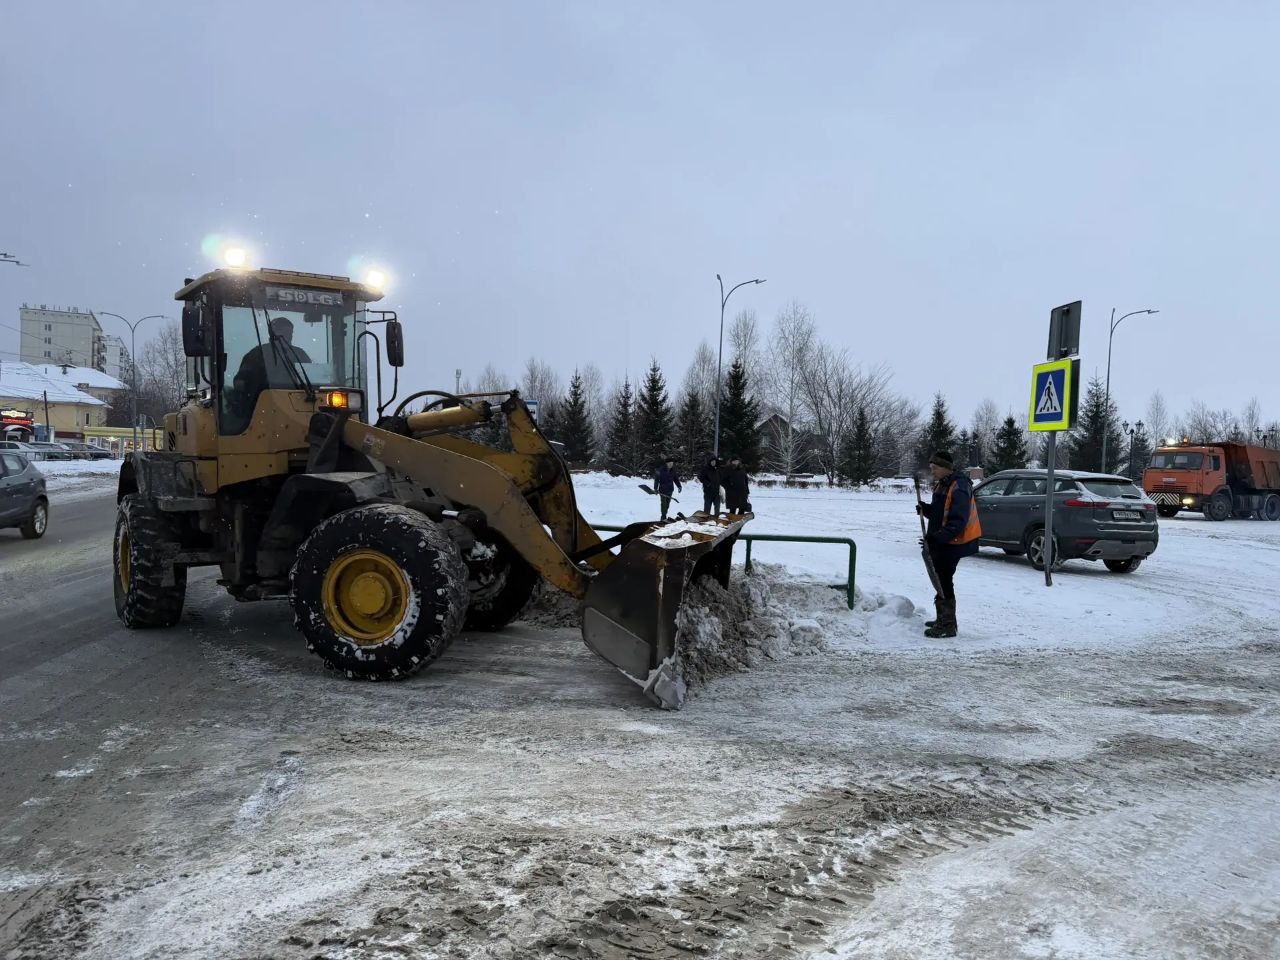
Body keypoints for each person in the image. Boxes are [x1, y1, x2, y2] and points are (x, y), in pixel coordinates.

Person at [917, 449, 981, 638]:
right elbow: (941, 513)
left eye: (935, 467)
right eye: (931, 467)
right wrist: (926, 509)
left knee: (943, 579)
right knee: (940, 579)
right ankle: (944, 619)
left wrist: (937, 538)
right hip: (943, 541)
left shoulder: (959, 486)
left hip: (952, 543)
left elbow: (958, 522)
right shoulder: (943, 484)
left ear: (945, 468)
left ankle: (947, 625)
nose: (932, 471)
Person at [233, 316, 313, 404]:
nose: (289, 336)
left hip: (299, 401)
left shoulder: (300, 354)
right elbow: (240, 383)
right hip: (264, 403)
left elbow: (312, 378)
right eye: (285, 333)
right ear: (273, 334)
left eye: (290, 333)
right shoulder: (258, 354)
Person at [654, 457, 682, 521]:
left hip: (670, 490)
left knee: (667, 504)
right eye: (670, 463)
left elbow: (676, 479)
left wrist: (679, 486)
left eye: (672, 463)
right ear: (666, 463)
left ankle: (664, 514)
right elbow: (656, 480)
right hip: (662, 490)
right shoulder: (660, 470)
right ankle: (663, 516)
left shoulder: (673, 471)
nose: (671, 465)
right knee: (663, 503)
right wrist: (655, 488)